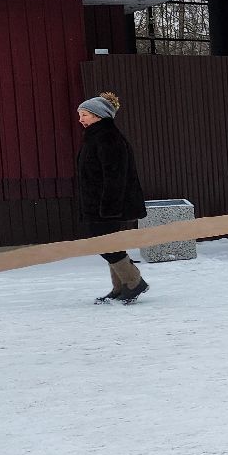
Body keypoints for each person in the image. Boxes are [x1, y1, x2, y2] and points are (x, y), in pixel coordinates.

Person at [74, 91, 149, 304]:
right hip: (98, 204)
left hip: (106, 206)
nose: (80, 119)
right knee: (110, 243)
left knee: (105, 244)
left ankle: (134, 281)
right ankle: (120, 287)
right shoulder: (96, 136)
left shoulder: (107, 137)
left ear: (99, 116)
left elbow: (115, 175)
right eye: (79, 115)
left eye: (84, 115)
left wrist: (108, 208)